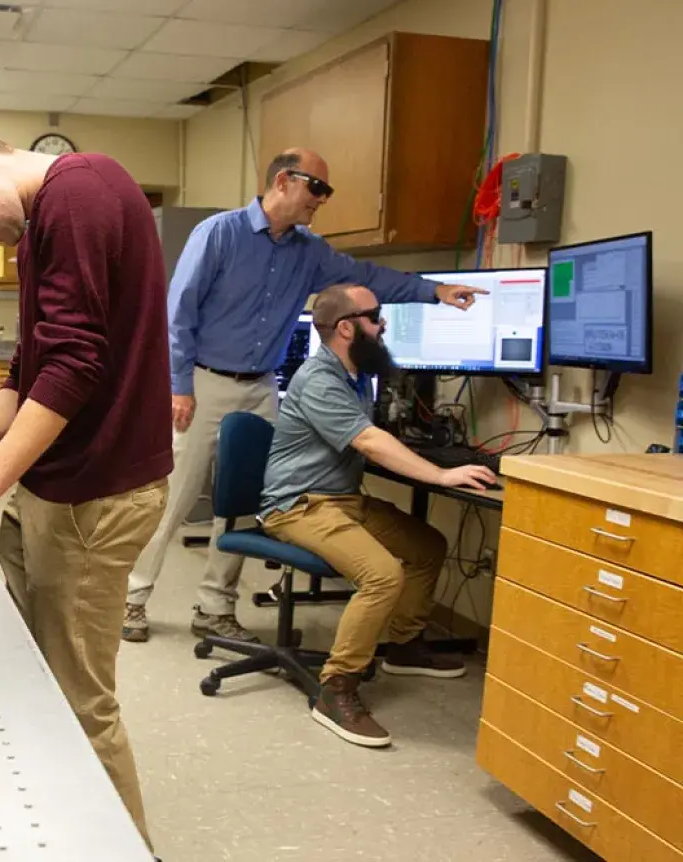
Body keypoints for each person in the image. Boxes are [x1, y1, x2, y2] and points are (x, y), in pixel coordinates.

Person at [0, 120, 172, 852]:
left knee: (80, 705)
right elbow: (29, 371)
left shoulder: (76, 193)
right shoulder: (50, 220)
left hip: (95, 495)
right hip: (57, 488)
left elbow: (74, 366)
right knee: (33, 683)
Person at [123, 147, 487, 644]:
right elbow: (178, 313)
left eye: (326, 190)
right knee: (174, 498)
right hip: (202, 384)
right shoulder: (220, 234)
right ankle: (131, 600)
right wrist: (178, 386)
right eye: (317, 187)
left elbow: (368, 279)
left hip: (260, 385)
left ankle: (214, 607)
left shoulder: (310, 252)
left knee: (244, 504)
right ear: (281, 182)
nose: (323, 198)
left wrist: (433, 290)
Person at [259, 284, 496, 748]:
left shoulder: (355, 373)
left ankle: (404, 645)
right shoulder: (320, 378)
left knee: (427, 547)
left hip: (341, 500)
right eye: (376, 316)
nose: (383, 324)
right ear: (346, 327)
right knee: (383, 574)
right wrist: (441, 475)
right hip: (298, 505)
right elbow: (367, 442)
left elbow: (369, 435)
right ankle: (337, 688)